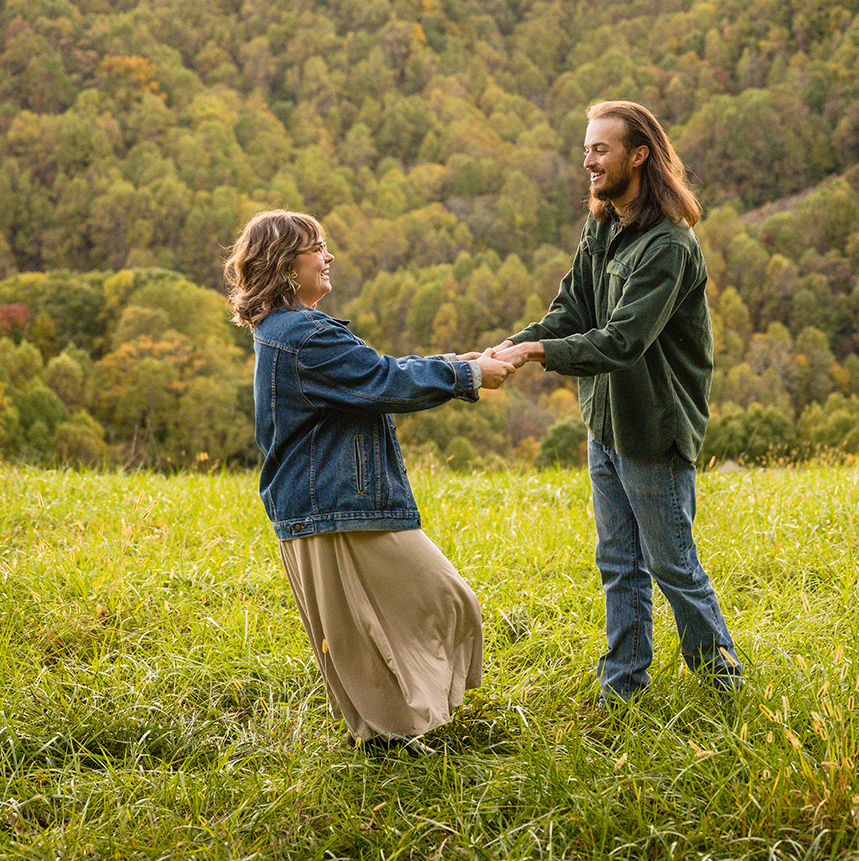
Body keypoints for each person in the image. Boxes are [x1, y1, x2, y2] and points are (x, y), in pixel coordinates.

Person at [223, 209, 514, 750]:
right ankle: (393, 736)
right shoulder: (302, 334)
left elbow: (373, 371)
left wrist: (455, 362)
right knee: (428, 606)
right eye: (318, 247)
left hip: (328, 505)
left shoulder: (288, 331)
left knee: (378, 625)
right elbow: (382, 379)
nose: (328, 256)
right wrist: (468, 374)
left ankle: (396, 733)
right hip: (336, 506)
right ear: (287, 264)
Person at [489, 100, 742, 705]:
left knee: (672, 566)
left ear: (639, 155)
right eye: (586, 149)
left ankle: (724, 687)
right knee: (618, 565)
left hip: (653, 426)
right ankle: (621, 692)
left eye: (600, 149)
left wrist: (535, 355)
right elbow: (573, 306)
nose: (588, 160)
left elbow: (621, 341)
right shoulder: (603, 224)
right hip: (604, 423)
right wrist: (511, 345)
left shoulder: (668, 246)